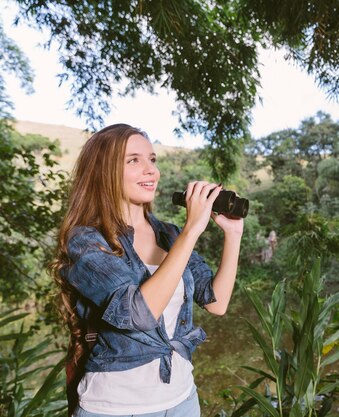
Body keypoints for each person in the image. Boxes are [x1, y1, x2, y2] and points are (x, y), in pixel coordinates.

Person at [50, 124, 244, 417]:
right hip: (115, 407)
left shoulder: (169, 234)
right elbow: (138, 314)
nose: (151, 170)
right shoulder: (87, 241)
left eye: (152, 159)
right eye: (134, 160)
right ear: (104, 172)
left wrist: (233, 234)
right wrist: (192, 230)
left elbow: (217, 303)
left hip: (182, 399)